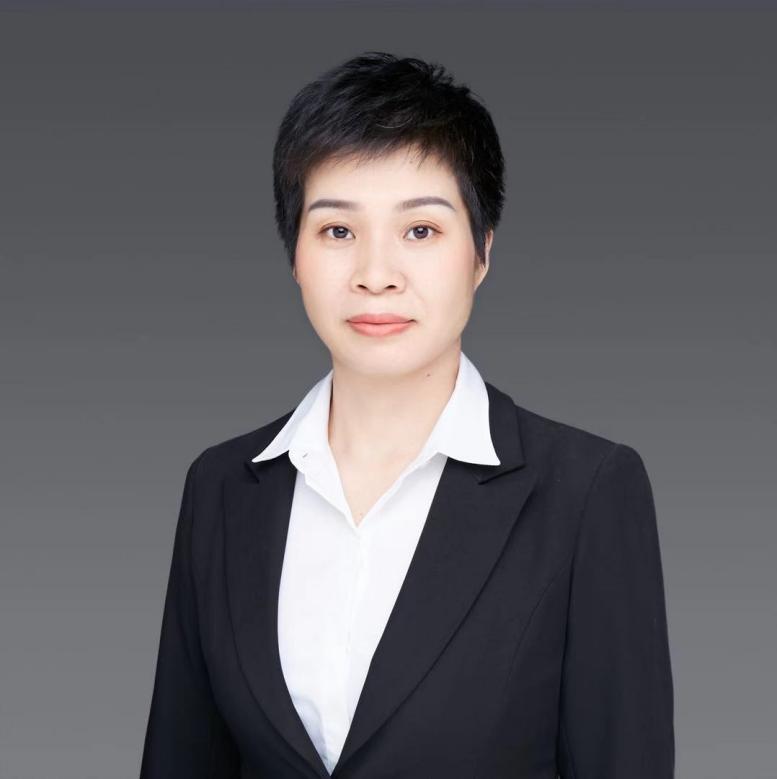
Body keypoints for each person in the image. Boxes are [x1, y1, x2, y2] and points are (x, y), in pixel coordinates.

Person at [140, 51, 675, 778]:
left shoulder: (586, 492)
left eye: (420, 230)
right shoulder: (222, 487)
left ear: (481, 251)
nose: (375, 274)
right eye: (337, 231)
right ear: (294, 254)